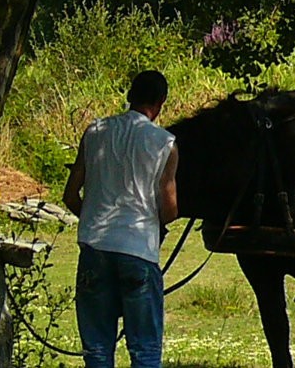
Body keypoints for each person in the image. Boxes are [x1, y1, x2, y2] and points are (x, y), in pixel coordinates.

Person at [61, 70, 178, 368]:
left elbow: (71, 195)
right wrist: (157, 224)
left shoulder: (95, 131)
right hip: (138, 249)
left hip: (95, 246)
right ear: (161, 101)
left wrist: (91, 217)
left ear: (130, 95)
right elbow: (169, 208)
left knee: (98, 349)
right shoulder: (164, 143)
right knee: (145, 350)